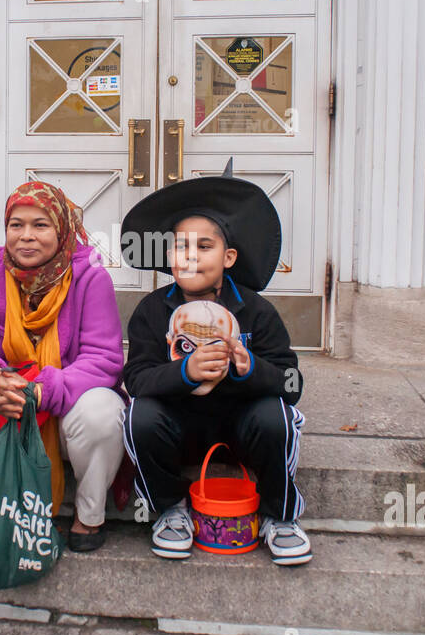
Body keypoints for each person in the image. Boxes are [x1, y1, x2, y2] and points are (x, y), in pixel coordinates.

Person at [119, 161, 310, 565]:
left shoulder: (256, 313)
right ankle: (170, 509)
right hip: (179, 428)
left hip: (243, 428)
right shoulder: (153, 311)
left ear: (229, 257)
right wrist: (184, 372)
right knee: (139, 415)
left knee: (277, 414)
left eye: (204, 247)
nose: (190, 257)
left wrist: (250, 368)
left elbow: (291, 382)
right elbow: (135, 379)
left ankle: (280, 515)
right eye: (180, 246)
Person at [0, 181, 125, 553]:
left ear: (61, 229)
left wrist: (39, 391)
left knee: (104, 411)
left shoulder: (90, 276)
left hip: (63, 409)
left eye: (40, 225)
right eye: (16, 225)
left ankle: (88, 516)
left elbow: (104, 360)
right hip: (5, 399)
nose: (26, 236)